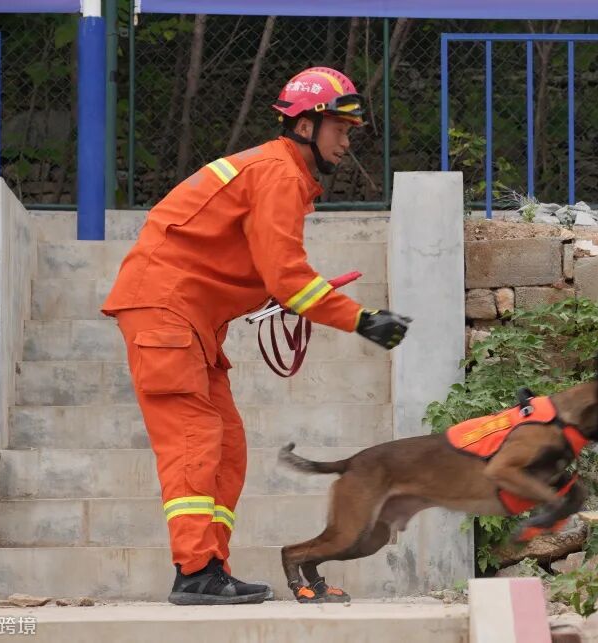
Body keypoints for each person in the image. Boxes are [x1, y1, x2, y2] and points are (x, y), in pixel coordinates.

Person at [101, 66, 411, 605]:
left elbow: (265, 270)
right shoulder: (279, 175)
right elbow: (289, 279)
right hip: (167, 312)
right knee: (195, 441)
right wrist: (362, 319)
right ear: (307, 125)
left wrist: (283, 292)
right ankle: (195, 572)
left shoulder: (276, 173)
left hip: (185, 318)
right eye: (340, 129)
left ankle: (210, 568)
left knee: (228, 446)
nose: (346, 142)